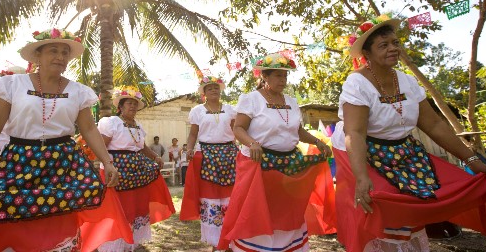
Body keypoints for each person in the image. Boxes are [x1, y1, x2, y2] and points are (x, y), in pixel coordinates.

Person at [331, 15, 486, 252]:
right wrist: (362, 177)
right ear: (368, 54)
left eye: (395, 43)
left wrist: (472, 159)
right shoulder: (357, 83)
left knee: (418, 202)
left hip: (402, 149)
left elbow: (434, 125)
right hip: (357, 151)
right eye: (384, 45)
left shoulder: (408, 82)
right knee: (383, 205)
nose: (393, 48)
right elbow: (355, 133)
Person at [0, 28, 132, 252]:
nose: (60, 57)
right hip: (18, 160)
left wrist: (108, 161)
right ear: (37, 56)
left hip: (63, 163)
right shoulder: (13, 85)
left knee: (60, 214)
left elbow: (90, 130)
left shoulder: (79, 92)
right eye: (53, 51)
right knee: (11, 212)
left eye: (65, 52)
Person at [218, 52, 336, 252]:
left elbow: (297, 131)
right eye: (278, 76)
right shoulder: (251, 99)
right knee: (261, 210)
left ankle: (288, 247)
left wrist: (318, 141)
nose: (283, 80)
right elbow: (238, 128)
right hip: (259, 163)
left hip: (290, 164)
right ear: (265, 76)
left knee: (287, 210)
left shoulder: (291, 100)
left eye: (285, 76)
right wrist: (252, 143)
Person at [97, 85, 176, 252]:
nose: (132, 106)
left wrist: (155, 157)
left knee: (135, 204)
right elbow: (100, 146)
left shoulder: (138, 126)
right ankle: (114, 243)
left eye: (134, 103)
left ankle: (130, 242)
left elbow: (142, 147)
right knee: (119, 206)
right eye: (128, 103)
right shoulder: (112, 123)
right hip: (116, 170)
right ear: (120, 106)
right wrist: (108, 165)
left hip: (136, 172)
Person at [180, 75, 237, 249]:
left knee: (231, 195)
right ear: (204, 92)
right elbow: (193, 134)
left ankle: (230, 239)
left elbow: (238, 130)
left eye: (216, 87)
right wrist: (189, 149)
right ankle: (214, 241)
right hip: (206, 155)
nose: (214, 90)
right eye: (209, 88)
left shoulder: (230, 109)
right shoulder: (197, 111)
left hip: (229, 154)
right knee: (211, 196)